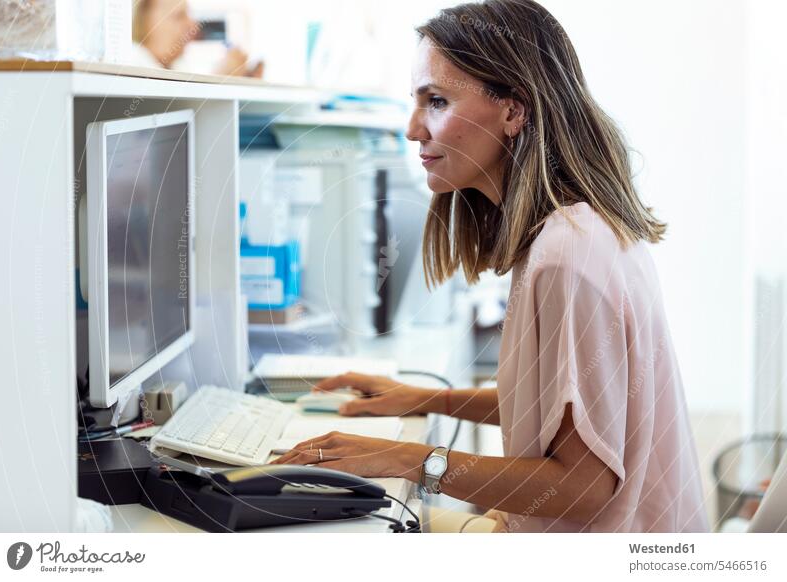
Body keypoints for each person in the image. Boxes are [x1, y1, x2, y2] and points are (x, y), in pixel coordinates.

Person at [273, 0, 709, 534]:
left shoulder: (567, 255)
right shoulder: (574, 231)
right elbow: (564, 413)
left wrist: (403, 458)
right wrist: (429, 399)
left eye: (436, 101)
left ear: (513, 110)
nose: (413, 129)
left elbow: (583, 485)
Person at [129, 0, 264, 77]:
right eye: (179, 16)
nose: (193, 25)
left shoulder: (178, 66)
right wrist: (220, 80)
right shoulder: (130, 66)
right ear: (143, 22)